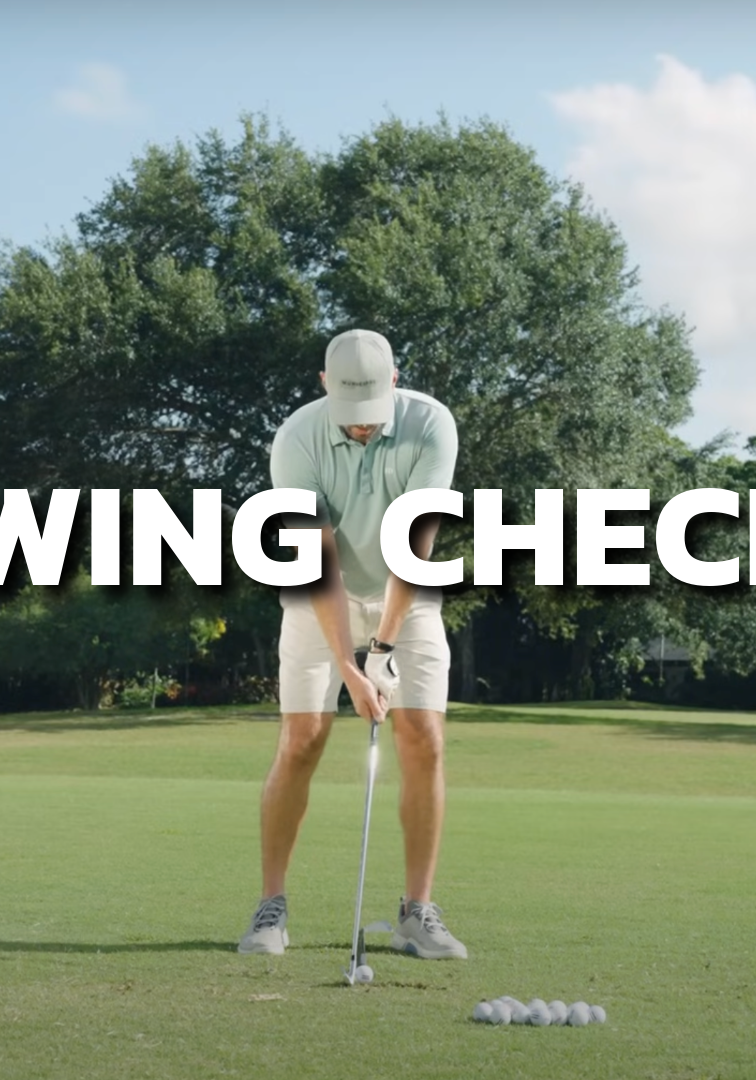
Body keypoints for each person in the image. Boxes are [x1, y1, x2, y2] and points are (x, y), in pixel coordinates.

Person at [237, 328, 467, 960]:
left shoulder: (432, 427)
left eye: (372, 417)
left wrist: (384, 651)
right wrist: (350, 662)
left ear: (394, 383)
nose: (362, 429)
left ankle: (417, 912)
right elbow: (320, 562)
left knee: (424, 739)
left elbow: (411, 551)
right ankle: (270, 905)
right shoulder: (296, 440)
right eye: (351, 417)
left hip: (405, 594)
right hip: (321, 598)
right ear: (324, 388)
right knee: (302, 739)